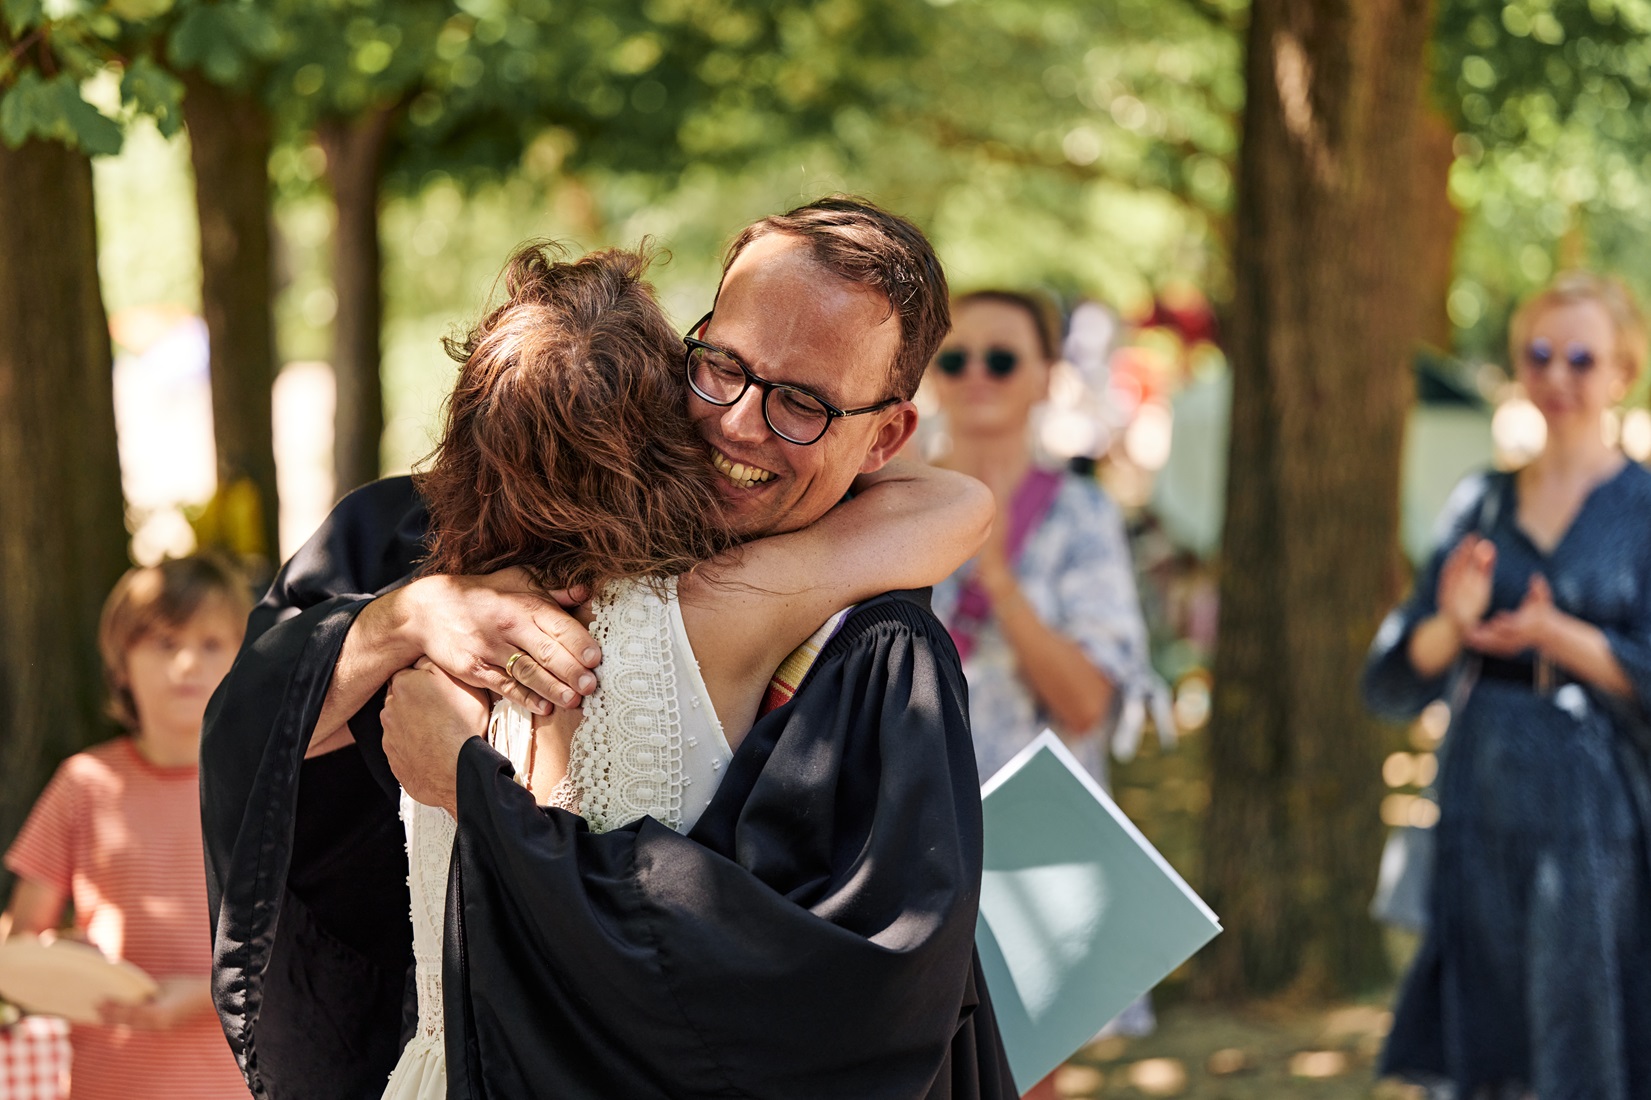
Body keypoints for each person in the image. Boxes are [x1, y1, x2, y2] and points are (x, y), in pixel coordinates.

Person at [201, 198, 1020, 1100]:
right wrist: (401, 618)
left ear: (887, 436)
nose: (741, 425)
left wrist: (480, 796)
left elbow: (840, 997)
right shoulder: (415, 538)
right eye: (723, 368)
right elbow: (260, 737)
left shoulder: (866, 650)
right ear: (685, 348)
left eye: (803, 404)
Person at [1364, 271, 1651, 1100]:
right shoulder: (1478, 501)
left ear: (1620, 371)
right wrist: (1452, 624)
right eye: (1537, 353)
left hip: (1592, 811)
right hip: (1479, 790)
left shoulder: (1640, 509)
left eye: (1580, 357)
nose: (1556, 374)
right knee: (1484, 1019)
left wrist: (1561, 636)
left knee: (1581, 1012)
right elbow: (1394, 672)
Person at [4, 556, 252, 1100]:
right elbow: (20, 941)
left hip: (241, 1086)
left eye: (211, 644)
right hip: (107, 1083)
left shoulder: (266, 787)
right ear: (121, 663)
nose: (187, 662)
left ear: (243, 657)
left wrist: (206, 995)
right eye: (164, 643)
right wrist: (59, 959)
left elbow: (307, 950)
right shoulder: (82, 783)